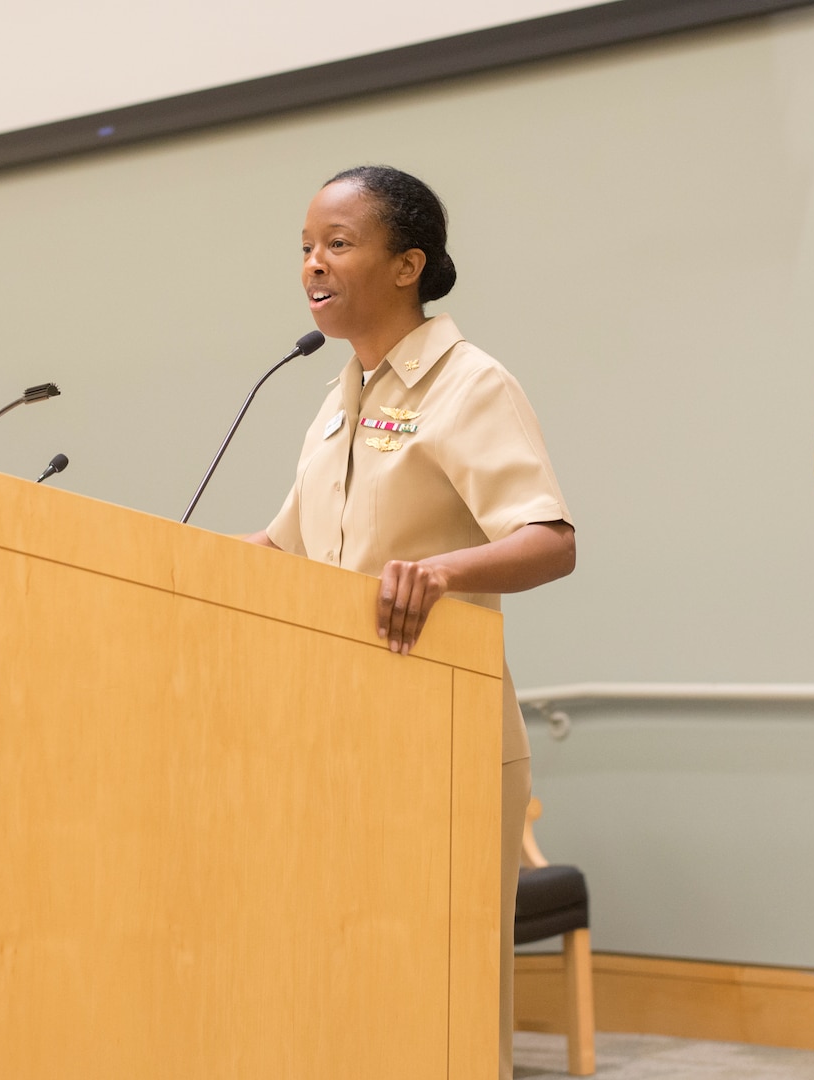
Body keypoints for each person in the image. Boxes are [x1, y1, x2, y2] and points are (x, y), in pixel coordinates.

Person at [244, 165, 575, 1078]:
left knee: (446, 1001)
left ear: (407, 265)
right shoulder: (336, 396)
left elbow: (548, 540)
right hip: (333, 737)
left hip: (443, 735)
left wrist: (439, 571)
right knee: (349, 987)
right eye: (305, 247)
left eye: (338, 244)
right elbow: (282, 545)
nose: (313, 264)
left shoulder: (469, 385)